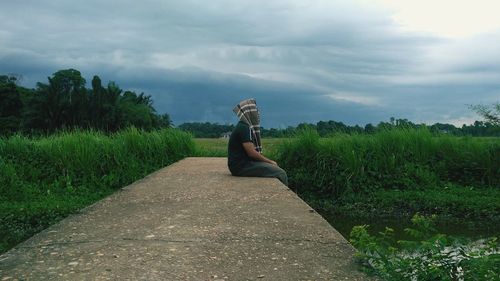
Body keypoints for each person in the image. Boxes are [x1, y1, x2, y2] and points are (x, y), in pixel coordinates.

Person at [227, 98, 288, 186]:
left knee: (273, 168)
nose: (258, 114)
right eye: (256, 111)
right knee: (281, 173)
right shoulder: (245, 128)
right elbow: (251, 152)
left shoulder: (244, 126)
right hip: (241, 167)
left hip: (240, 165)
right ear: (250, 113)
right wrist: (270, 161)